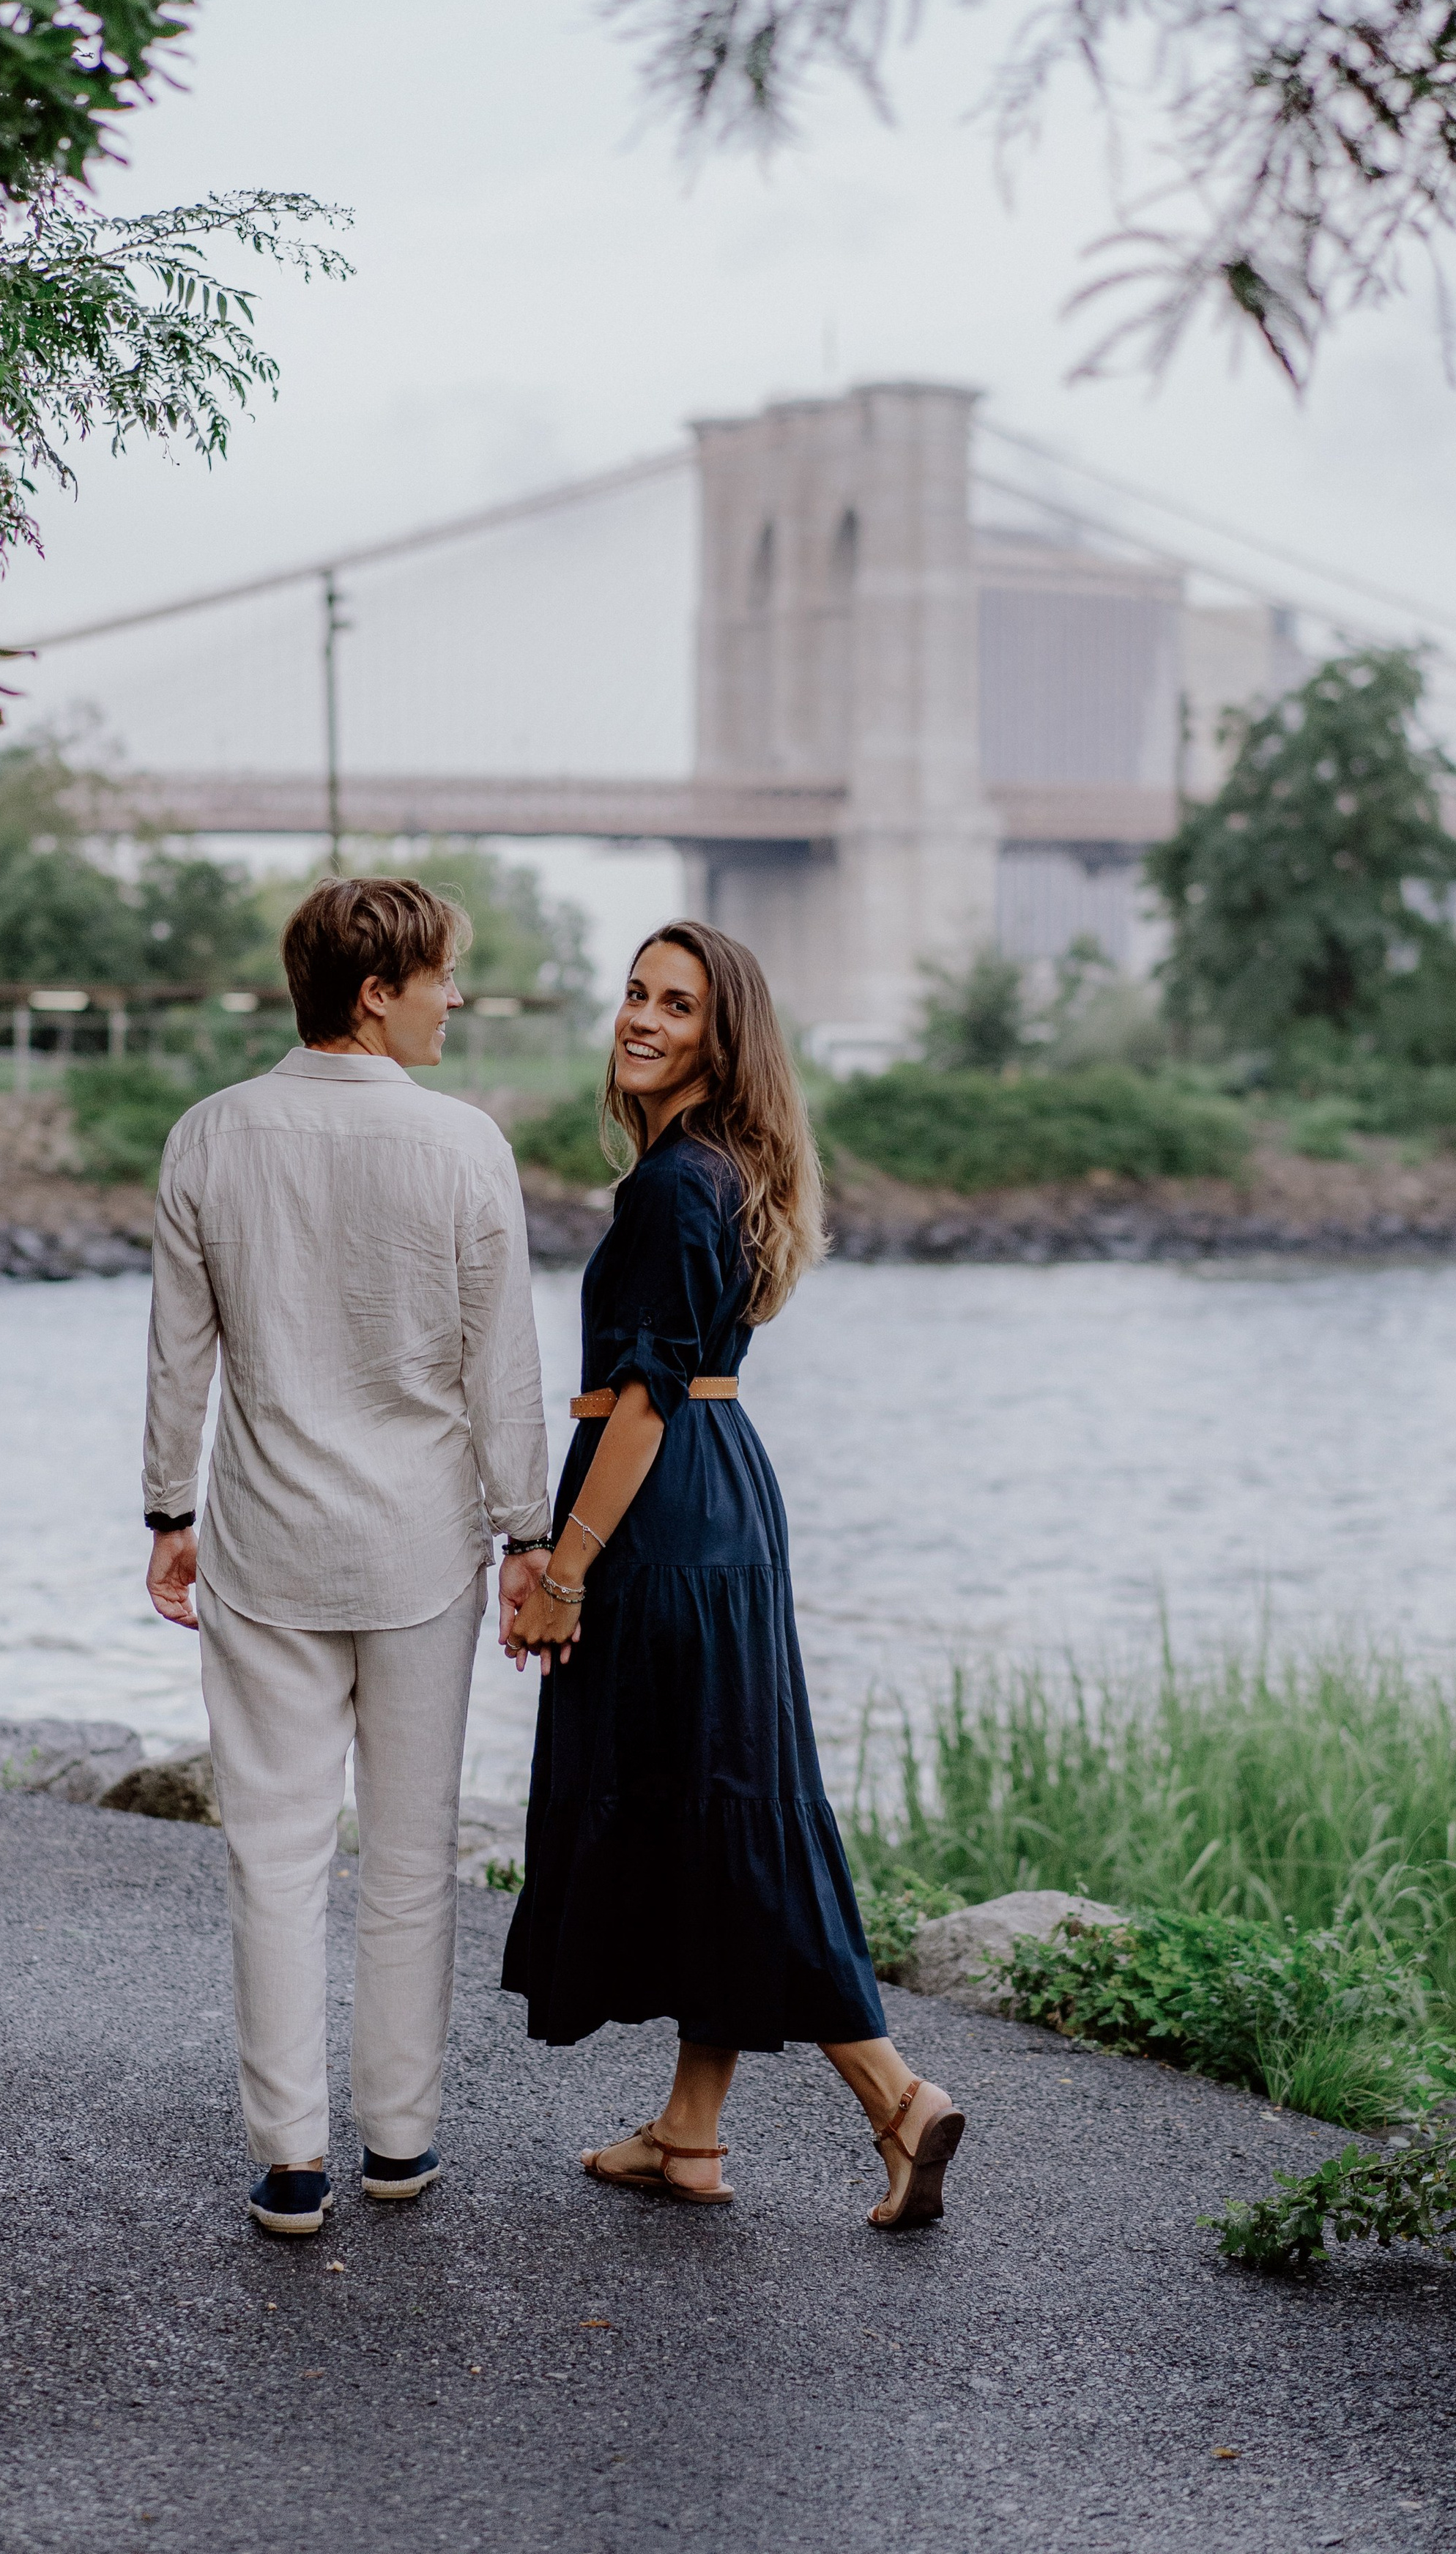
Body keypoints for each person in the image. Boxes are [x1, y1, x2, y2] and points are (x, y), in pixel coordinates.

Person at [499, 921, 965, 2228]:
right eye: (634, 995)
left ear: (723, 1034)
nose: (641, 1020)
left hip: (662, 1511)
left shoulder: (668, 1188)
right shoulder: (728, 1168)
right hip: (725, 1498)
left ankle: (894, 2094)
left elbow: (637, 1405)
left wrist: (566, 1571)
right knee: (718, 1797)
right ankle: (689, 2136)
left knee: (714, 1810)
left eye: (677, 1006)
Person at [143, 876, 552, 2237]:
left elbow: (178, 1354)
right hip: (423, 1547)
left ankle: (291, 2162)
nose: (453, 1001)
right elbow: (503, 1373)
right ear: (376, 991)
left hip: (265, 1542)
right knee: (412, 1848)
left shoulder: (209, 1136)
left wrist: (166, 1514)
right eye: (441, 977)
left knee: (271, 1851)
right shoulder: (464, 1148)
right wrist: (527, 1537)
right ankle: (401, 2142)